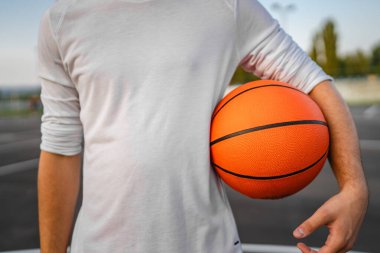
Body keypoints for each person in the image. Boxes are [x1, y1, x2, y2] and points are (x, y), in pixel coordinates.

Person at [37, 0, 368, 252]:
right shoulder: (63, 19)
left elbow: (314, 83)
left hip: (208, 244)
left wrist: (354, 188)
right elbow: (59, 146)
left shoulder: (227, 6)